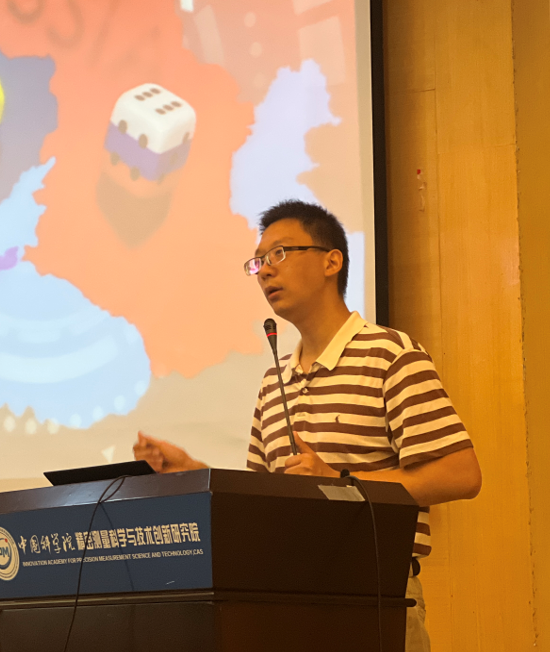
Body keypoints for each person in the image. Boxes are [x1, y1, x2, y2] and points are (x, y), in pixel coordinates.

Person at [133, 200, 482, 651]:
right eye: (258, 261)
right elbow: (262, 499)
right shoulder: (274, 379)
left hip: (375, 594)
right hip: (285, 598)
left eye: (279, 253)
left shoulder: (390, 355)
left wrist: (340, 482)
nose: (264, 271)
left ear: (331, 261)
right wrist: (193, 473)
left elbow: (460, 474)